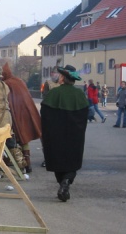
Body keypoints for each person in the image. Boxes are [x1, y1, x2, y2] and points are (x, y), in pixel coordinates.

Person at [41, 65, 88, 202]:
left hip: (56, 135)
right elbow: (85, 114)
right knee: (73, 161)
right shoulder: (79, 94)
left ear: (62, 78)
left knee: (57, 159)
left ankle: (63, 183)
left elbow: (44, 113)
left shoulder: (54, 93)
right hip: (74, 135)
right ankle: (66, 181)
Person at [2, 63, 42, 173]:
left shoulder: (6, 83)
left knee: (15, 136)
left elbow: (6, 99)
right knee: (24, 138)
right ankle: (28, 163)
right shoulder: (18, 81)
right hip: (26, 111)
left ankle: (19, 162)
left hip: (16, 112)